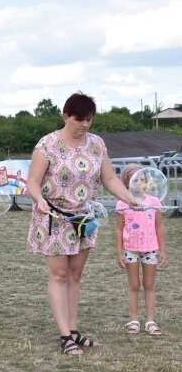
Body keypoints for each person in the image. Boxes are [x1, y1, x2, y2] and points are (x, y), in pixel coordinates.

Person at [26, 92, 138, 355]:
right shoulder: (48, 144)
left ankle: (74, 331)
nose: (85, 125)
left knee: (75, 274)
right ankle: (65, 336)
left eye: (89, 120)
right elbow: (32, 181)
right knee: (59, 274)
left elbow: (109, 178)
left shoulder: (97, 145)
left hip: (83, 218)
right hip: (53, 216)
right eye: (80, 119)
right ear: (66, 116)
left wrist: (129, 197)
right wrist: (39, 199)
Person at [116, 165, 169, 336]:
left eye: (142, 179)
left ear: (147, 182)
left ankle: (150, 321)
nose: (139, 183)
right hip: (130, 250)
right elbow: (118, 229)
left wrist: (162, 251)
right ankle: (133, 320)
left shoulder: (154, 202)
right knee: (133, 285)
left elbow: (159, 226)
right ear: (127, 183)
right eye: (134, 180)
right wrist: (119, 252)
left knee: (149, 285)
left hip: (151, 250)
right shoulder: (122, 203)